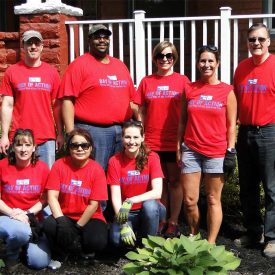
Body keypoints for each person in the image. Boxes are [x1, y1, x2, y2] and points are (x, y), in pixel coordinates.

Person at [177, 45, 237, 244]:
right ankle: (194, 236)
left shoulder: (227, 91)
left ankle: (210, 243)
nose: (206, 65)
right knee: (190, 200)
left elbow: (231, 126)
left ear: (217, 63)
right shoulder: (189, 89)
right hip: (191, 150)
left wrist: (230, 151)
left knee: (212, 199)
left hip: (216, 152)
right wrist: (179, 146)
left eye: (210, 61)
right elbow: (182, 121)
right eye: (203, 61)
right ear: (197, 64)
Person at [58, 24, 135, 172]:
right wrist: (70, 134)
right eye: (97, 37)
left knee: (117, 174)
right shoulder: (79, 65)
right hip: (93, 130)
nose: (102, 40)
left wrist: (139, 127)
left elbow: (131, 100)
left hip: (121, 130)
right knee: (96, 173)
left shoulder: (120, 65)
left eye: (105, 37)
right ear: (89, 40)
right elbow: (67, 100)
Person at [132, 41, 190, 238]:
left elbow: (188, 111)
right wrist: (141, 132)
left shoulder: (183, 81)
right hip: (152, 140)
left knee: (175, 181)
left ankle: (173, 221)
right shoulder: (147, 81)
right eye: (161, 56)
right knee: (159, 182)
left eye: (169, 56)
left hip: (174, 140)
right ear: (155, 58)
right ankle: (161, 218)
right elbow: (139, 109)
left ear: (174, 58)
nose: (165, 59)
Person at [233, 23, 275, 258]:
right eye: (252, 39)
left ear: (268, 41)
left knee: (271, 188)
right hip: (245, 132)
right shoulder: (241, 68)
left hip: (269, 132)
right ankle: (253, 231)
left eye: (260, 39)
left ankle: (272, 237)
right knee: (248, 187)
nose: (256, 43)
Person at [43, 128, 108, 266]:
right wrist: (61, 221)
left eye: (84, 145)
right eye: (75, 145)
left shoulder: (97, 169)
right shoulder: (59, 165)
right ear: (69, 147)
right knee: (50, 225)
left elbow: (94, 205)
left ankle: (82, 249)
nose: (80, 149)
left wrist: (77, 228)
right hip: (65, 215)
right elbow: (52, 197)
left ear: (90, 148)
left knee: (97, 241)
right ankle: (60, 252)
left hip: (90, 217)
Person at [0, 30, 63, 169]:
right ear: (23, 46)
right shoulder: (12, 72)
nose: (33, 46)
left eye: (36, 43)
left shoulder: (52, 73)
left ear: (41, 47)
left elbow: (57, 106)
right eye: (29, 43)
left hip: (46, 137)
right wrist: (4, 135)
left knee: (47, 182)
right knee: (19, 181)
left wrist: (60, 134)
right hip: (19, 138)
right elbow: (7, 105)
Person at [107, 119, 166, 247]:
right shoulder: (114, 161)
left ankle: (149, 245)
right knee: (116, 241)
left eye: (136, 137)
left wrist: (131, 200)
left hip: (150, 209)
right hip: (127, 212)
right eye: (127, 137)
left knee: (150, 207)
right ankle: (136, 235)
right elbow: (116, 197)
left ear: (142, 138)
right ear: (122, 138)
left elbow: (157, 192)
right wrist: (123, 224)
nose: (132, 142)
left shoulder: (152, 157)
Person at [0, 128, 51, 272]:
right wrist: (13, 213)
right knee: (20, 231)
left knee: (40, 261)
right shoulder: (2, 166)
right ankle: (12, 256)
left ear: (34, 147)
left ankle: (20, 243)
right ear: (13, 147)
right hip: (6, 216)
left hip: (32, 218)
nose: (23, 149)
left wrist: (28, 213)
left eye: (28, 145)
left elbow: (45, 198)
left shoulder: (42, 168)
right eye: (19, 145)